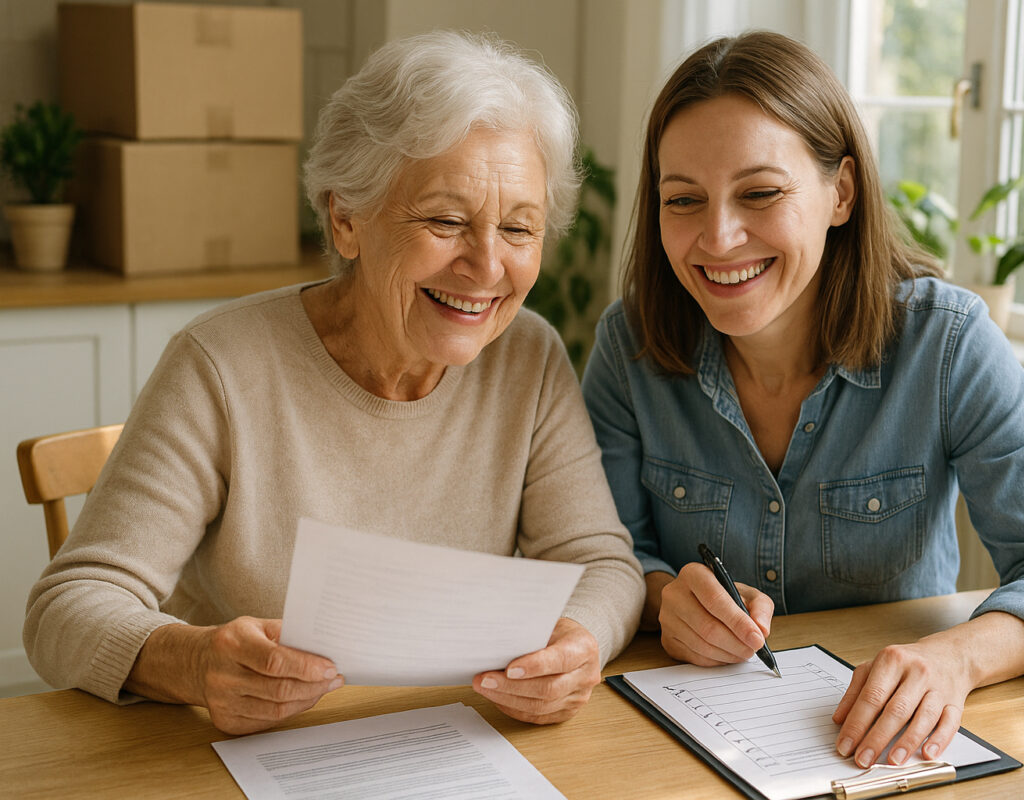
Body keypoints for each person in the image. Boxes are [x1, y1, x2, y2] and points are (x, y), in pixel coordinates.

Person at [25, 30, 644, 736]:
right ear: (346, 218)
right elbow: (67, 607)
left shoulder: (528, 357)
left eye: (519, 228)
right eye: (446, 220)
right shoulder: (221, 364)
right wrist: (191, 662)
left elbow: (600, 563)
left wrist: (578, 644)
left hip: (440, 744)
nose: (486, 265)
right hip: (248, 753)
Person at [581, 31, 1024, 771]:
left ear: (840, 194)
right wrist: (660, 599)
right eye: (684, 200)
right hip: (685, 753)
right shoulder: (630, 344)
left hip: (888, 757)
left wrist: (957, 659)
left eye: (761, 193)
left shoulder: (948, 344)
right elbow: (605, 554)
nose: (718, 236)